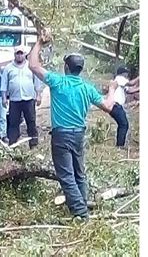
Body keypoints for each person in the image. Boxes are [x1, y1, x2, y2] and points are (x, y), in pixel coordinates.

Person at [27, 30, 117, 219]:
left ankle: (81, 213)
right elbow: (109, 106)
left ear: (66, 68)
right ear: (80, 69)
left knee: (67, 175)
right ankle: (80, 204)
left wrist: (39, 43)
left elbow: (33, 65)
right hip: (78, 135)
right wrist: (112, 90)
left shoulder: (58, 82)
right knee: (79, 173)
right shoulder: (87, 88)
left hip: (62, 135)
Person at [1, 46, 43, 148]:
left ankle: (33, 145)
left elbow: (37, 81)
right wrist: (4, 98)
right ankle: (13, 145)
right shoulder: (8, 68)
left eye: (21, 53)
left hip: (29, 99)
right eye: (17, 54)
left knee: (31, 122)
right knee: (13, 123)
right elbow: (4, 83)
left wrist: (38, 95)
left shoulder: (31, 66)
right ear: (14, 55)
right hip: (15, 100)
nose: (19, 56)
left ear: (25, 54)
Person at [109, 66, 130, 147]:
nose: (127, 74)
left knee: (122, 124)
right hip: (116, 105)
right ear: (122, 73)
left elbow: (129, 90)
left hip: (116, 106)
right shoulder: (120, 78)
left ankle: (119, 144)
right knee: (124, 124)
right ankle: (120, 145)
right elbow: (131, 83)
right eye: (126, 72)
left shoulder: (120, 81)